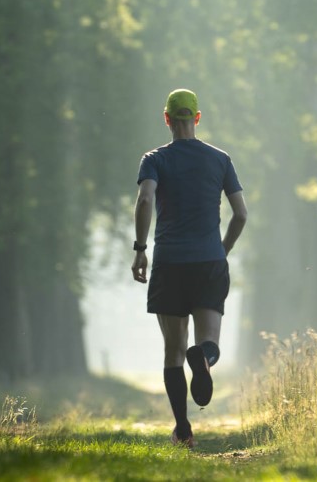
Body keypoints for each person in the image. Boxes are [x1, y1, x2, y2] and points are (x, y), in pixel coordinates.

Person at [131, 88, 249, 448]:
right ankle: (206, 358)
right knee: (208, 341)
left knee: (173, 349)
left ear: (167, 119)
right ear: (197, 118)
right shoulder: (220, 159)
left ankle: (183, 429)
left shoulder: (154, 159)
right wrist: (222, 249)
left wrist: (140, 249)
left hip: (169, 263)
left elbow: (146, 197)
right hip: (209, 261)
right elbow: (241, 214)